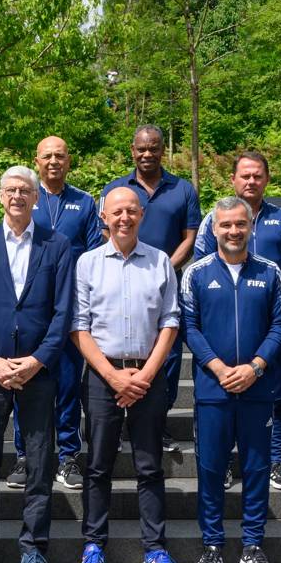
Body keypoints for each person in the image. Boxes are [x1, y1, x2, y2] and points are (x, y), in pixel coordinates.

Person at [0, 166, 73, 563]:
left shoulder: (57, 245)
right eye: (10, 190)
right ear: (0, 196)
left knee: (41, 461)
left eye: (25, 190)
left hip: (38, 372)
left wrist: (38, 360)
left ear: (36, 198)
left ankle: (33, 550)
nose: (17, 196)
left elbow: (64, 313)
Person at [71, 186, 181, 563]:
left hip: (149, 375)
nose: (124, 218)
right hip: (103, 377)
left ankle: (154, 549)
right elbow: (79, 328)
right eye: (116, 211)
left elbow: (170, 321)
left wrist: (147, 374)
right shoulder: (87, 264)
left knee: (149, 467)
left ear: (141, 216)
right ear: (104, 217)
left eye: (132, 211)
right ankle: (94, 546)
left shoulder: (160, 262)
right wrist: (114, 376)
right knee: (98, 466)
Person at [181, 197, 281, 563]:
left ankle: (253, 546)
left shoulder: (271, 272)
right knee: (210, 469)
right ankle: (212, 546)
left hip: (259, 389)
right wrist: (219, 366)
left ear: (250, 227)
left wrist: (256, 366)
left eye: (240, 224)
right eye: (225, 225)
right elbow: (189, 327)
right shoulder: (196, 273)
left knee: (258, 470)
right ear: (213, 228)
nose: (233, 231)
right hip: (214, 389)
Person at [194, 152, 281, 491]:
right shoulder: (214, 217)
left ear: (266, 179)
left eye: (257, 175)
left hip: (271, 321)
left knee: (278, 396)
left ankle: (273, 462)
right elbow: (201, 262)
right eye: (245, 175)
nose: (251, 181)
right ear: (233, 179)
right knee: (224, 402)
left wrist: (271, 297)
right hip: (224, 322)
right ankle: (226, 461)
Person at [6, 135, 100, 491]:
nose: (53, 161)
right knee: (24, 383)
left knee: (67, 385)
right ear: (36, 159)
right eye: (47, 156)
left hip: (71, 310)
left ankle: (68, 456)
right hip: (30, 310)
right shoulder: (27, 197)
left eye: (60, 155)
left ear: (69, 160)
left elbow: (93, 255)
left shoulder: (85, 203)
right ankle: (24, 455)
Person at [99, 125, 201, 452]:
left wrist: (163, 270)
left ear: (162, 151)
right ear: (132, 150)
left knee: (167, 356)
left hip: (166, 282)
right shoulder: (116, 188)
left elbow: (191, 238)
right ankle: (119, 418)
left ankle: (159, 420)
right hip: (120, 283)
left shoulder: (183, 190)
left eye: (154, 148)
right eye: (141, 149)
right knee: (120, 348)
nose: (147, 154)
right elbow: (108, 232)